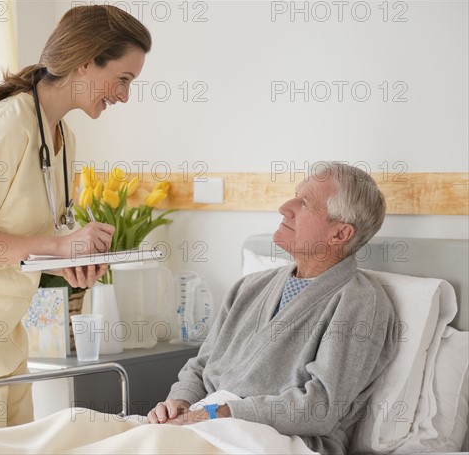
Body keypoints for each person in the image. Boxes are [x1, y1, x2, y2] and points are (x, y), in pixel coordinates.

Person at [0, 5, 151, 431]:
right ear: (87, 61)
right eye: (123, 79)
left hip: (4, 324)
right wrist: (59, 246)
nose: (125, 96)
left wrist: (71, 260)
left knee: (19, 444)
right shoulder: (9, 125)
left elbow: (25, 240)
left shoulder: (62, 137)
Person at [147, 162, 397, 455]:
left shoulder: (360, 301)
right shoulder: (249, 287)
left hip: (281, 439)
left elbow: (320, 407)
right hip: (206, 424)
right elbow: (201, 366)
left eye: (304, 203)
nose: (284, 207)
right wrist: (180, 402)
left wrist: (222, 413)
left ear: (339, 234)